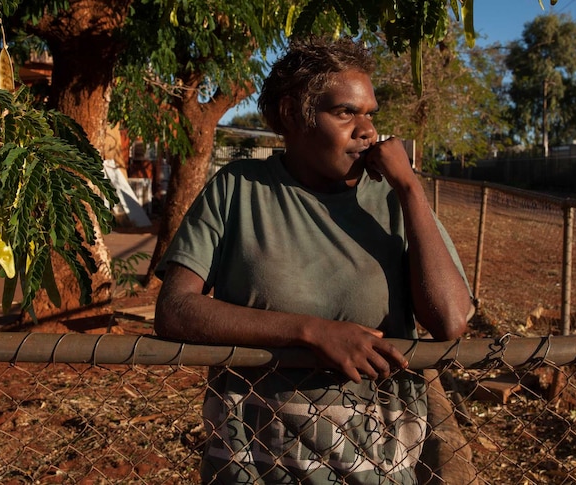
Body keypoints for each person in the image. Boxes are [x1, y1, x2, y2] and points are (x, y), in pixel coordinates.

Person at [155, 36, 474, 484]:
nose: (366, 130)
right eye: (345, 112)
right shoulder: (240, 189)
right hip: (254, 462)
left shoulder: (392, 201)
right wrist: (311, 332)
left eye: (370, 115)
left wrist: (410, 189)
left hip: (374, 466)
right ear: (292, 114)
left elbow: (450, 320)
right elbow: (175, 309)